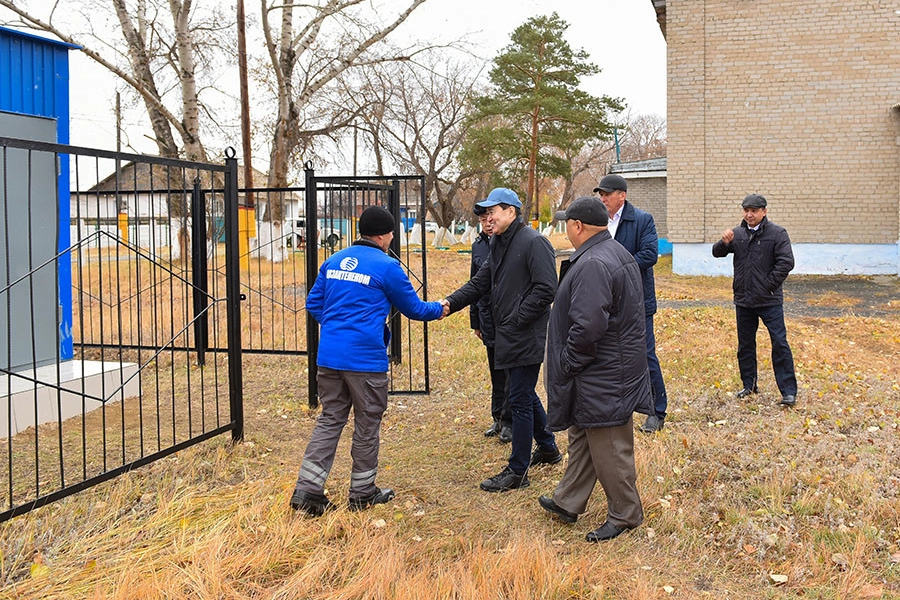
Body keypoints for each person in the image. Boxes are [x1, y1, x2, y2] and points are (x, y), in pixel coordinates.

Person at [290, 206, 449, 517]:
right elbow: (414, 308)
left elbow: (313, 303)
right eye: (392, 233)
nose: (392, 238)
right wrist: (441, 308)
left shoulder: (333, 261)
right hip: (364, 361)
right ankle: (362, 493)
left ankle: (307, 491)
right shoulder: (387, 266)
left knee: (330, 418)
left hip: (330, 357)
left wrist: (337, 327)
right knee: (367, 423)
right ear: (382, 234)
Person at [538, 196, 652, 542]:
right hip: (608, 368)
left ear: (577, 226)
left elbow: (587, 326)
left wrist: (569, 362)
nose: (565, 231)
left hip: (601, 373)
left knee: (610, 446)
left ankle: (626, 513)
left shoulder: (593, 263)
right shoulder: (613, 252)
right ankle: (568, 501)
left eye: (565, 225)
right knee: (585, 436)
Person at [445, 187, 561, 493]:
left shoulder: (534, 242)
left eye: (492, 212)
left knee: (519, 399)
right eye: (483, 214)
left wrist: (516, 318)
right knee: (523, 393)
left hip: (526, 334)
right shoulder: (497, 243)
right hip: (508, 333)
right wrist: (448, 304)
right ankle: (548, 448)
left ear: (511, 211)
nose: (486, 218)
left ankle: (518, 470)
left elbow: (547, 288)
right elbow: (480, 283)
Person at [594, 174, 669, 433]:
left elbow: (649, 255)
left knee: (645, 355)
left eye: (607, 194)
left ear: (622, 195)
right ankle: (617, 407)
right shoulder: (598, 221)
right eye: (600, 194)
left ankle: (656, 411)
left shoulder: (642, 220)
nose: (602, 198)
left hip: (637, 301)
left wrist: (615, 271)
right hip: (605, 300)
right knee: (610, 355)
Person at [712, 194, 797, 406]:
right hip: (744, 300)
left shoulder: (777, 233)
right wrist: (723, 243)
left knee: (779, 343)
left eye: (754, 210)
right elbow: (717, 253)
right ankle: (749, 385)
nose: (749, 214)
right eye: (746, 210)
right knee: (745, 345)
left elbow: (786, 263)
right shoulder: (737, 234)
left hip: (769, 301)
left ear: (764, 212)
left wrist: (767, 285)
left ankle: (788, 392)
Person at [470, 204, 512, 443]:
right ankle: (497, 417)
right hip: (487, 317)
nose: (487, 222)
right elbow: (474, 283)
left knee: (509, 371)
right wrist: (475, 321)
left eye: (489, 217)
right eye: (482, 219)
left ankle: (509, 421)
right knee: (495, 370)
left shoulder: (509, 243)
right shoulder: (478, 246)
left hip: (507, 316)